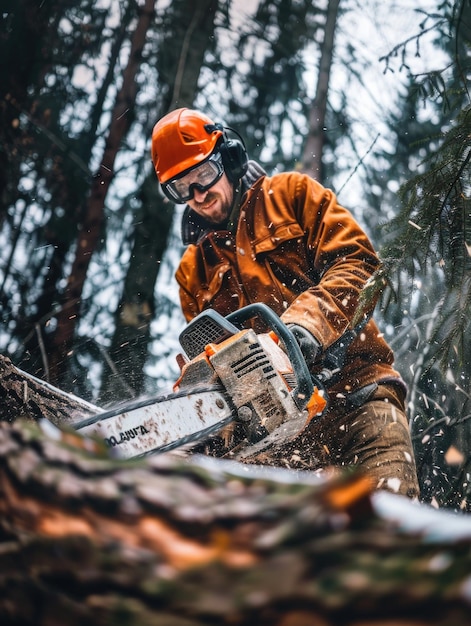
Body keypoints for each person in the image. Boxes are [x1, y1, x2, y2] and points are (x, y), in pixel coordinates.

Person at [151, 107, 420, 499]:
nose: (199, 194)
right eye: (182, 187)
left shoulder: (292, 195)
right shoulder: (193, 271)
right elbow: (210, 355)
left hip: (360, 398)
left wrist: (300, 332)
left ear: (228, 158)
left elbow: (359, 264)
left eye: (204, 176)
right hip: (280, 440)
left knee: (392, 533)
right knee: (285, 554)